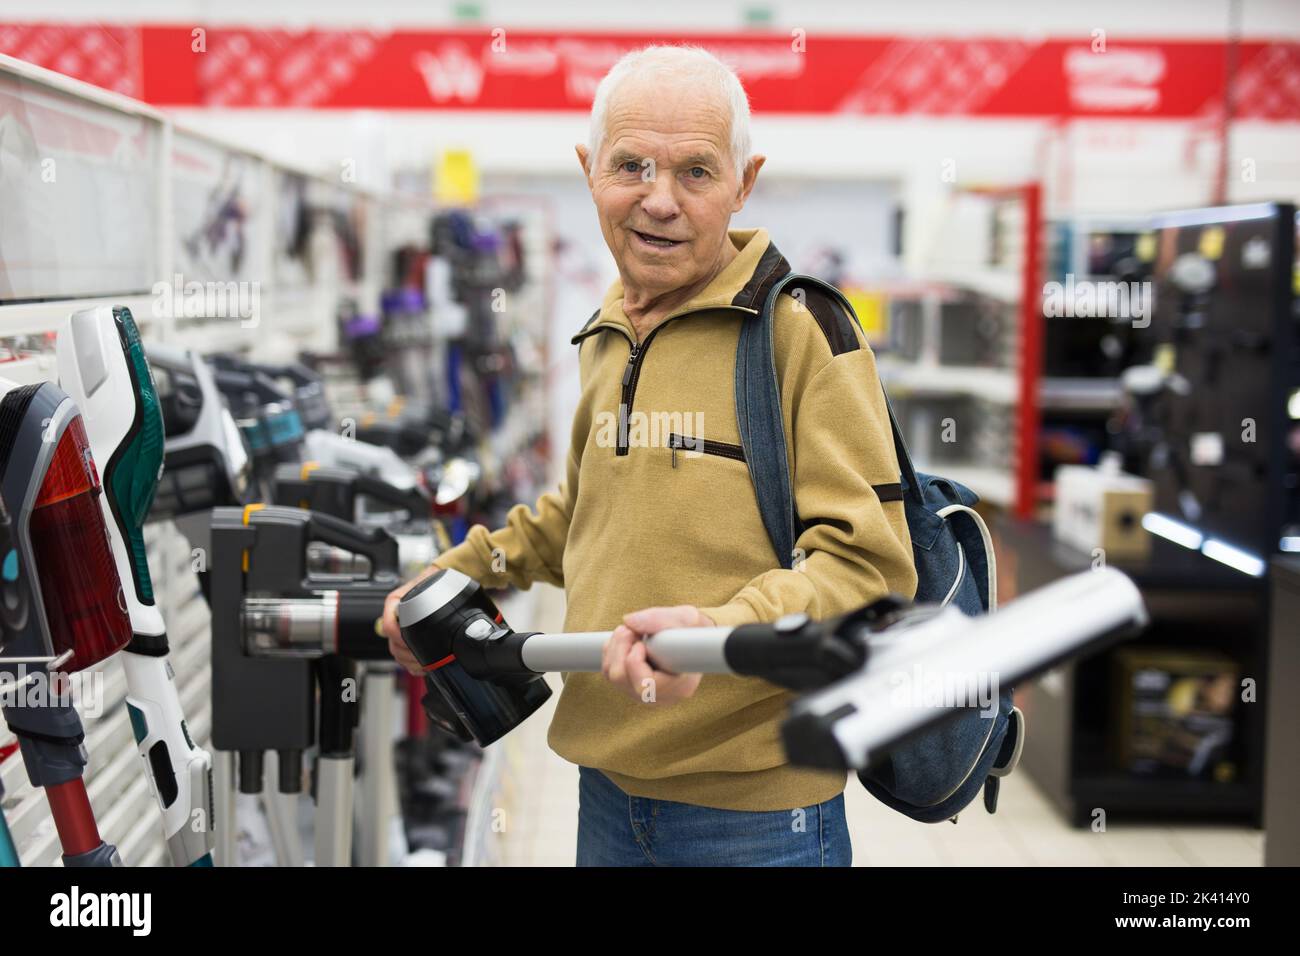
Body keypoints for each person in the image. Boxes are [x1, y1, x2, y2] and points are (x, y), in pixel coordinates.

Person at [383, 44, 916, 867]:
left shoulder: (798, 333)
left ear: (744, 181)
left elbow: (868, 567)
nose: (658, 200)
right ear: (588, 168)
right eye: (629, 165)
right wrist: (457, 570)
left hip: (758, 817)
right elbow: (582, 511)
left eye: (696, 171)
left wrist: (713, 633)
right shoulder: (609, 328)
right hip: (608, 793)